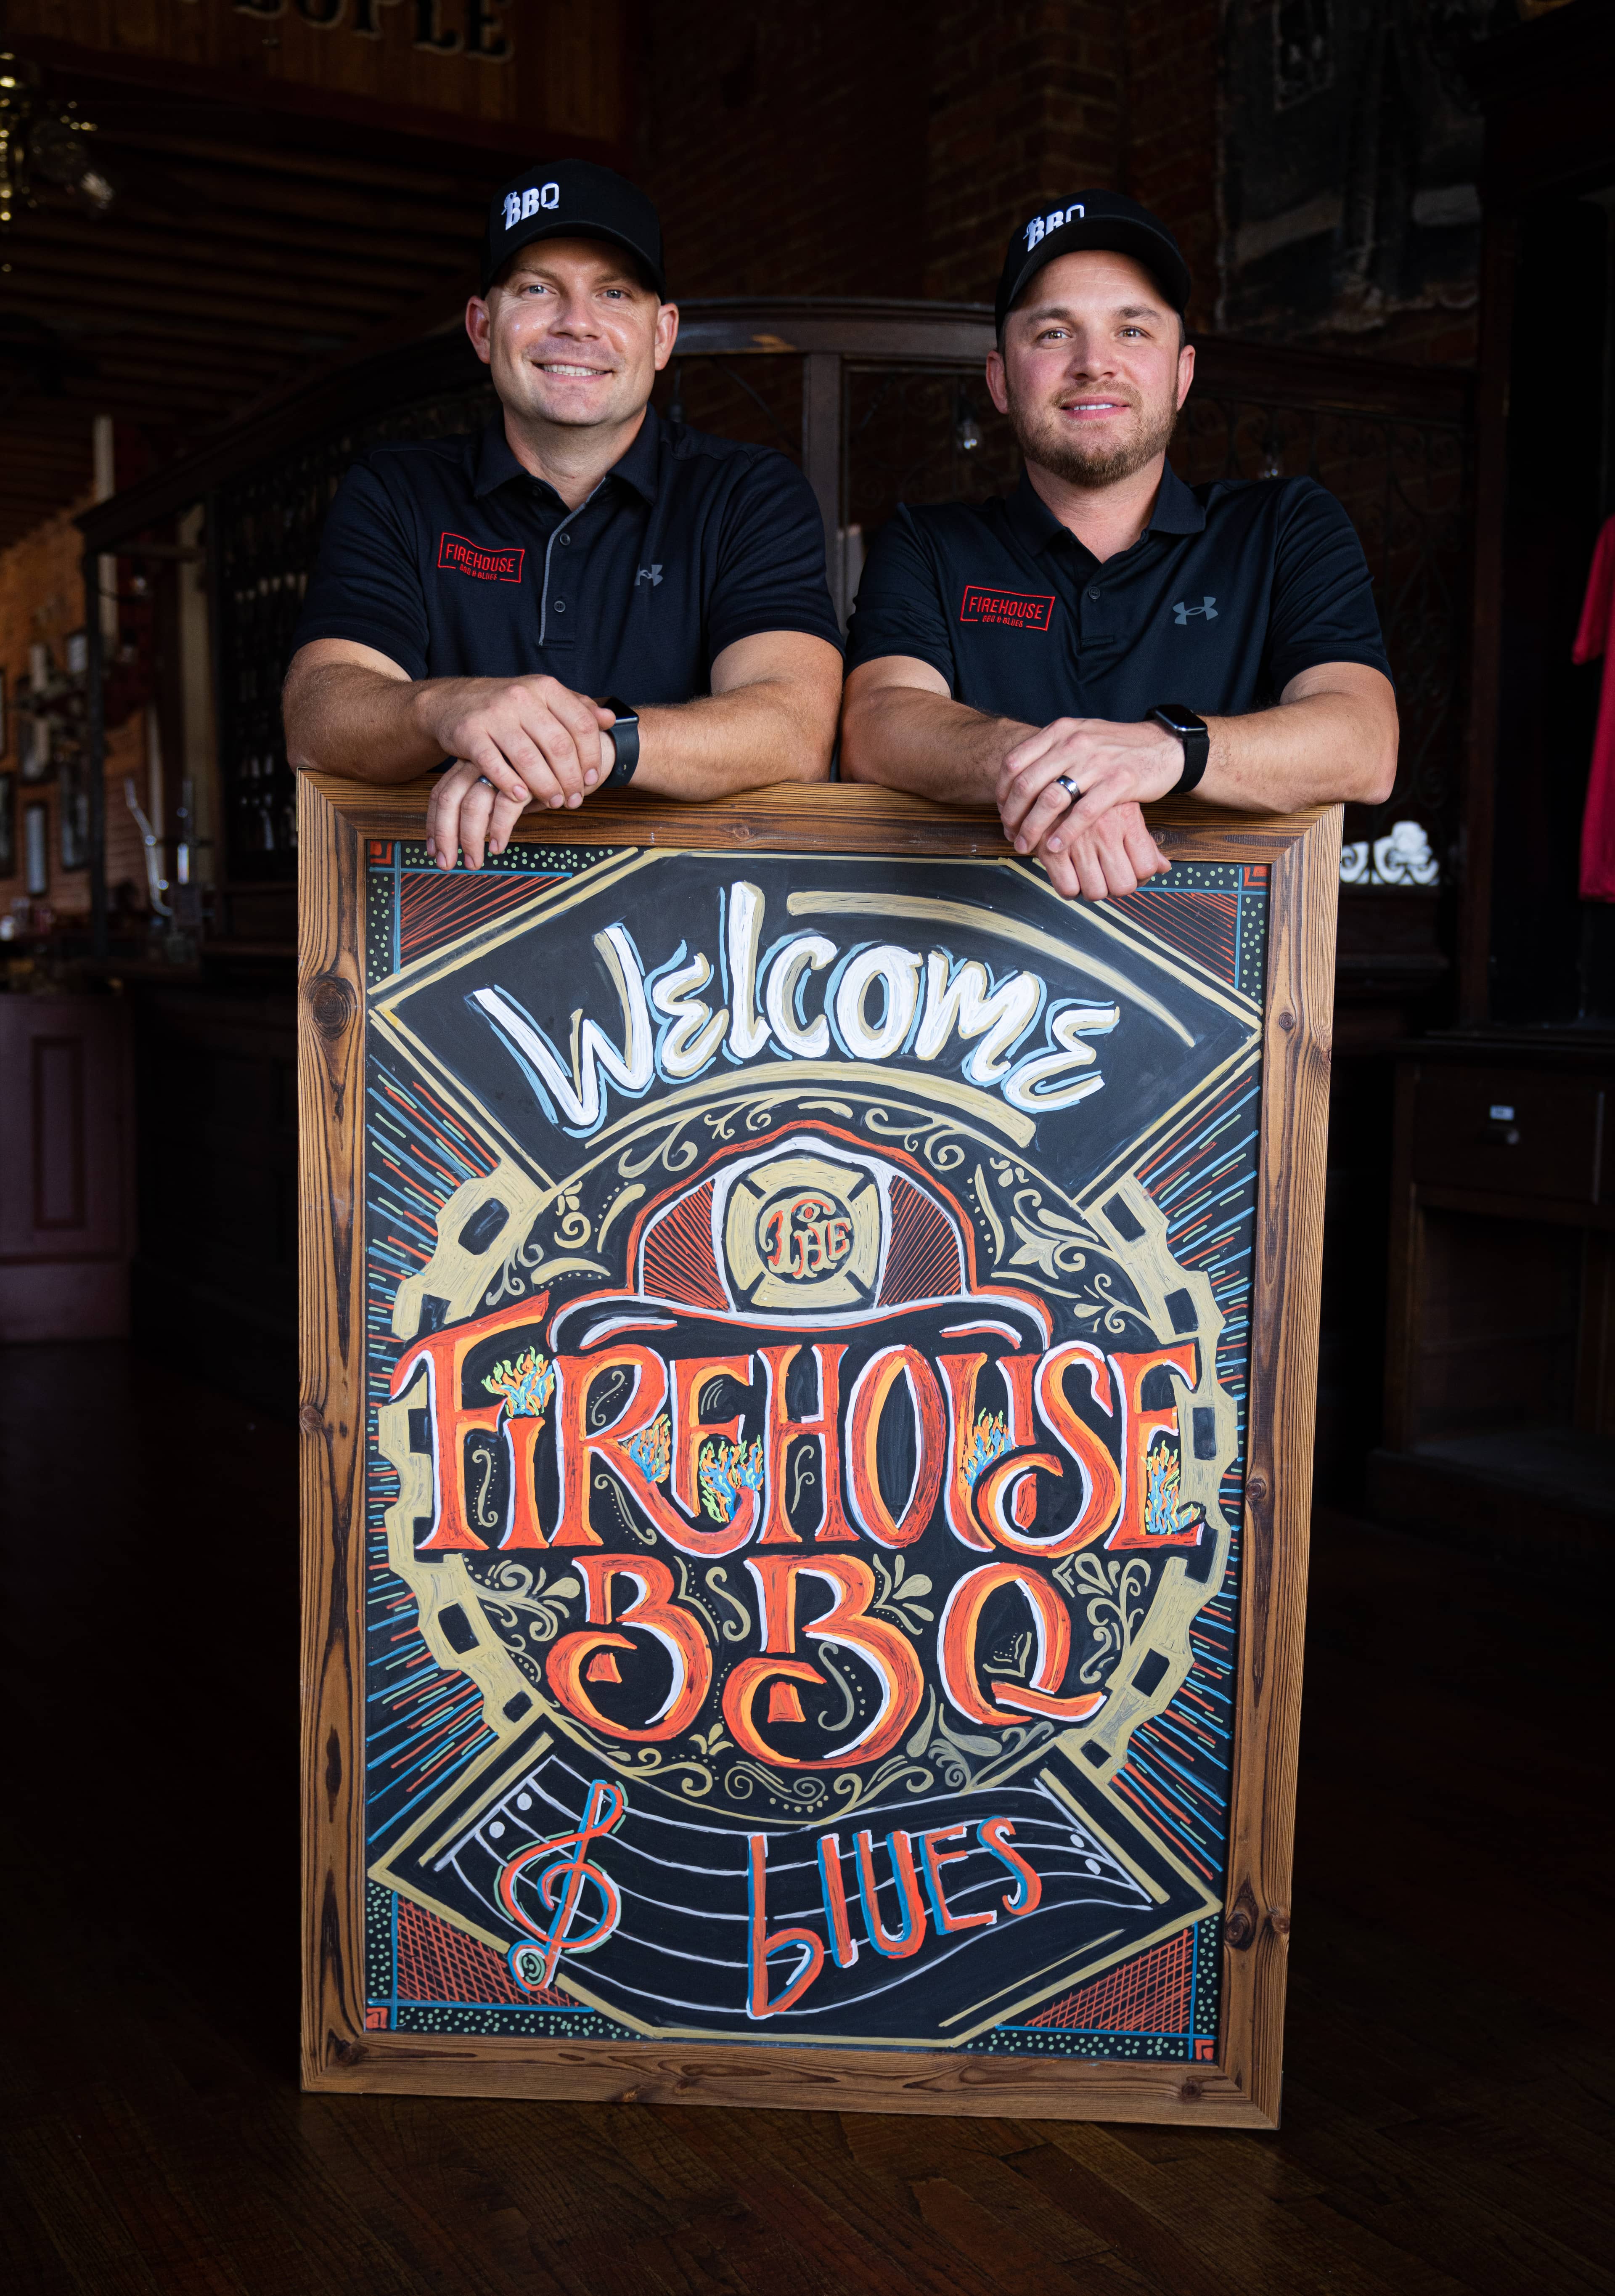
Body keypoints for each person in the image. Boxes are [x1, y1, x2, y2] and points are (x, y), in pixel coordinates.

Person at [839, 190, 1399, 901]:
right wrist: (1067, 774)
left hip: (1222, 981)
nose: (1094, 363)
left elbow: (1364, 741)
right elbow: (876, 724)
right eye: (1053, 334)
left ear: (1183, 374)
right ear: (1000, 379)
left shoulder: (1284, 526)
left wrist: (1161, 752)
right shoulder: (929, 543)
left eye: (1133, 331)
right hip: (966, 985)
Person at [283, 161, 842, 870]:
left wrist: (581, 750)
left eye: (613, 292)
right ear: (483, 329)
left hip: (694, 937)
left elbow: (796, 725)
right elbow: (317, 716)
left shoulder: (747, 492)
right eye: (538, 289)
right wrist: (451, 710)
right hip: (447, 920)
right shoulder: (397, 490)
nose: (578, 323)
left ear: (663, 334)